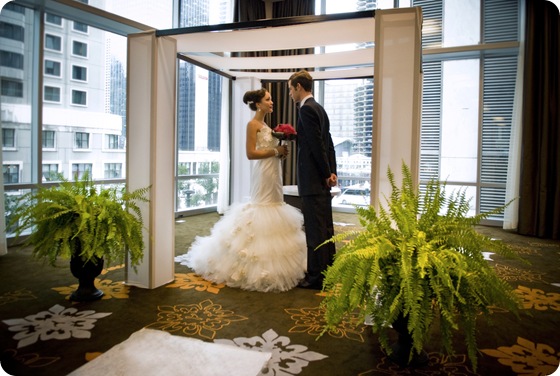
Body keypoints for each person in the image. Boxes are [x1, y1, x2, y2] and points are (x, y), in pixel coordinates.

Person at [175, 88, 307, 293]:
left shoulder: (266, 125)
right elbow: (251, 153)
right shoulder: (252, 125)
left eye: (271, 99)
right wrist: (275, 150)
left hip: (274, 172)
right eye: (268, 99)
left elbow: (269, 150)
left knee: (275, 206)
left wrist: (280, 154)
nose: (272, 103)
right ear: (258, 104)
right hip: (262, 173)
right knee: (262, 207)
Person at [288, 70, 338, 290]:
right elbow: (329, 144)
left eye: (291, 89)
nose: (290, 93)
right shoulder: (319, 108)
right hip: (322, 180)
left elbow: (318, 146)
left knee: (315, 231)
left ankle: (316, 277)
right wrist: (332, 171)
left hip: (313, 180)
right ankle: (329, 270)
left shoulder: (306, 110)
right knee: (325, 227)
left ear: (299, 87)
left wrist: (327, 173)